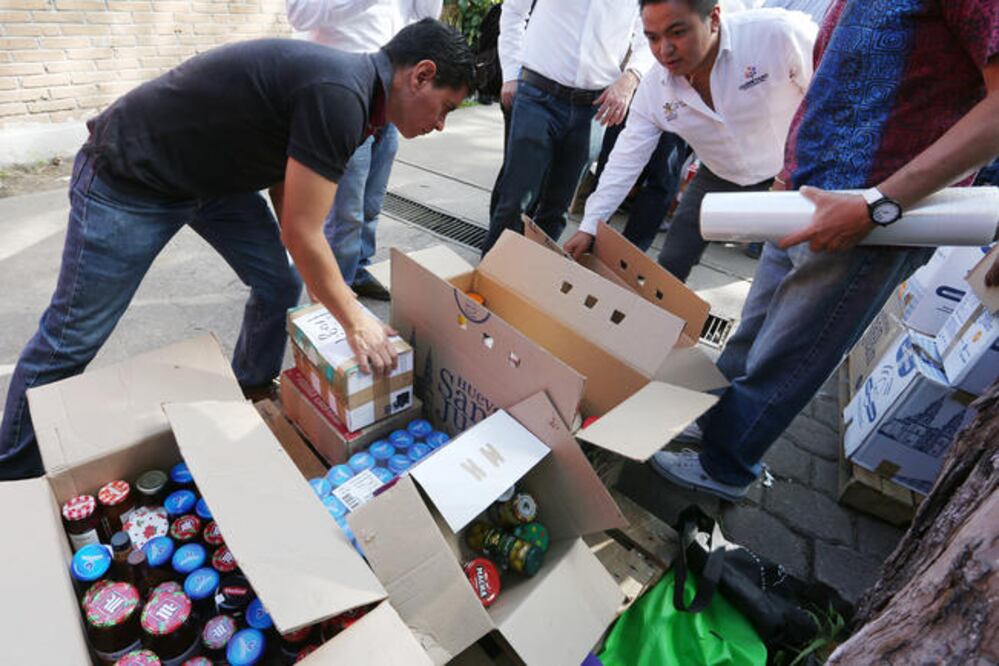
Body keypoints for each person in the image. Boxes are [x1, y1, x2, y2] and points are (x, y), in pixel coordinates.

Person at [0, 20, 474, 480]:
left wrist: (320, 290)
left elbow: (289, 193)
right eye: (446, 108)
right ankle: (13, 477)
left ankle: (251, 390)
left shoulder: (356, 97)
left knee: (278, 281)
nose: (439, 125)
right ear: (422, 75)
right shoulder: (341, 95)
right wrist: (354, 319)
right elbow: (304, 233)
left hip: (212, 181)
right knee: (72, 337)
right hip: (131, 178)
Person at [651, 0, 999, 500]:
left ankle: (726, 467)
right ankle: (712, 428)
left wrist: (878, 204)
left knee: (788, 356)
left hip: (868, 222)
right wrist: (790, 171)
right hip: (803, 202)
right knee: (751, 338)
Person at [564, 1, 818, 284]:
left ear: (714, 18)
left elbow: (829, 102)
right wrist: (590, 226)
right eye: (653, 38)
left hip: (798, 171)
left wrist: (793, 173)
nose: (664, 50)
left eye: (677, 32)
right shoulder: (654, 91)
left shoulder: (778, 35)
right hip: (722, 174)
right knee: (672, 261)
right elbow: (626, 160)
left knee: (785, 277)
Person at [287, 0, 443, 301]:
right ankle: (335, 294)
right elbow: (299, 14)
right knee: (347, 212)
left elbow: (425, 17)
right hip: (342, 91)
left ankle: (359, 271)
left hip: (392, 90)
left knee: (371, 203)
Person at [481, 0, 655, 255]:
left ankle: (530, 283)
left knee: (557, 208)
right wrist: (510, 73)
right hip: (537, 94)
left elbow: (649, 32)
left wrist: (631, 77)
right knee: (515, 200)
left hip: (594, 107)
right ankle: (488, 276)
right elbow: (514, 12)